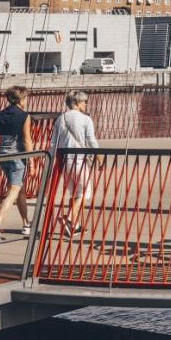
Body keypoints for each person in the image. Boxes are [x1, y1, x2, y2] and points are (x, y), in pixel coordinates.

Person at [0, 86, 33, 242]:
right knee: (13, 191)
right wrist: (32, 162)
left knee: (20, 190)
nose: (27, 101)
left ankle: (26, 224)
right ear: (21, 100)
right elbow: (27, 140)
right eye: (26, 98)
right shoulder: (24, 116)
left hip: (2, 156)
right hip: (17, 158)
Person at [50, 90, 99, 235]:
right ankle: (69, 218)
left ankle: (74, 225)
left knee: (75, 193)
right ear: (77, 103)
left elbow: (54, 143)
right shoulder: (85, 119)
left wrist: (51, 160)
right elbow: (91, 140)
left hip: (65, 162)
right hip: (79, 161)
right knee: (85, 194)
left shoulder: (61, 119)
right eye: (85, 102)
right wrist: (99, 156)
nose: (86, 104)